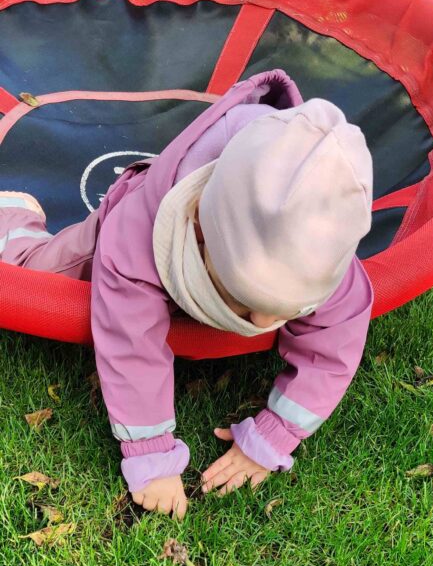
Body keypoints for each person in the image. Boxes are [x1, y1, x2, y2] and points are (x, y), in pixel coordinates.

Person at [0, 69, 373, 519]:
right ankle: (15, 219)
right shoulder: (135, 234)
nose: (257, 326)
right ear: (198, 229)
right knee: (38, 271)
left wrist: (272, 437)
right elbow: (130, 342)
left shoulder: (320, 258)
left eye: (280, 311)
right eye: (243, 301)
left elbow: (332, 347)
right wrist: (153, 458)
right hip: (107, 240)